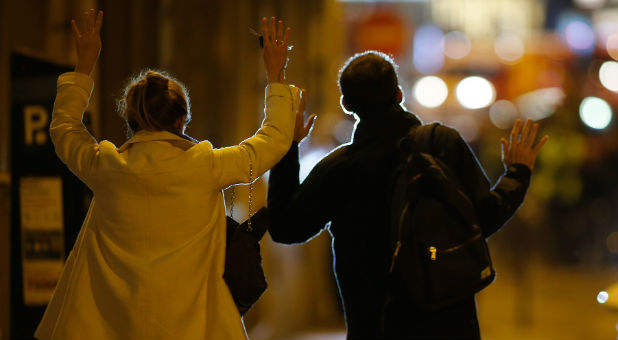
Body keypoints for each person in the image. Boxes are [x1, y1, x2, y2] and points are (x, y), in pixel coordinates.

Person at [35, 10, 299, 339]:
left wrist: (84, 65)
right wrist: (276, 74)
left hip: (112, 326)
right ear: (181, 120)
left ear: (131, 118)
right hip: (192, 327)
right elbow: (272, 141)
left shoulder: (105, 166)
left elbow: (63, 130)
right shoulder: (206, 166)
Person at [267, 50, 548, 339]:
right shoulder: (442, 145)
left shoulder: (339, 169)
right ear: (399, 94)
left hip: (376, 328)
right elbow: (484, 218)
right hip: (448, 325)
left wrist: (288, 150)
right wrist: (517, 173)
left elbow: (285, 227)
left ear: (347, 104)